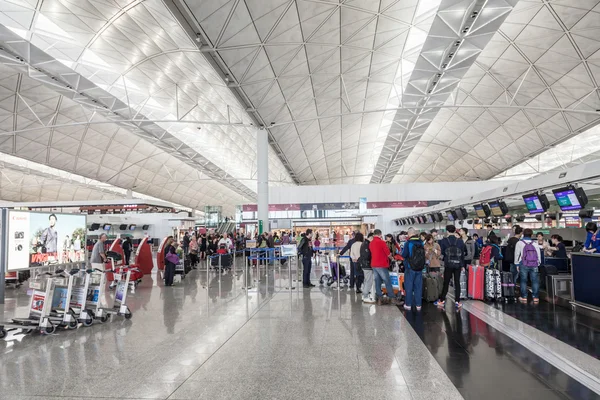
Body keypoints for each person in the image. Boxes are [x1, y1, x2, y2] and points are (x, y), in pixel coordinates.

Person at [434, 225, 465, 309]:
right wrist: (462, 265)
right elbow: (462, 253)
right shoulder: (460, 241)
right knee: (457, 282)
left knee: (446, 282)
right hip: (458, 264)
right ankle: (457, 301)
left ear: (447, 231)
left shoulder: (443, 241)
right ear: (455, 231)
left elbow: (442, 253)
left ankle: (442, 300)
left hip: (448, 264)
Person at [369, 229, 402, 306]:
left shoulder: (371, 243)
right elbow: (388, 253)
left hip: (374, 265)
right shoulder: (382, 242)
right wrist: (392, 259)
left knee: (377, 281)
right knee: (387, 281)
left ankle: (379, 299)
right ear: (380, 235)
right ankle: (392, 298)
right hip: (382, 264)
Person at [515, 228, 541, 303]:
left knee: (523, 280)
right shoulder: (535, 243)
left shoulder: (520, 243)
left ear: (523, 234)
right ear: (531, 235)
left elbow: (517, 254)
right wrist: (538, 263)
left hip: (523, 264)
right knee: (535, 280)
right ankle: (535, 297)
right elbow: (538, 254)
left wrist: (516, 264)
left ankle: (524, 297)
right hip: (534, 264)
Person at [402, 228, 424, 311]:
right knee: (418, 286)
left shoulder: (408, 243)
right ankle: (418, 305)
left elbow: (404, 254)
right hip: (420, 268)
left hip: (410, 267)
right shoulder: (421, 242)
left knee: (409, 286)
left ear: (409, 234)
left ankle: (408, 304)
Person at [358, 233, 375, 303]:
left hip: (365, 265)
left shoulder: (364, 243)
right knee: (369, 281)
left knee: (366, 280)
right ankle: (365, 296)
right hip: (367, 265)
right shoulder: (366, 244)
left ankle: (364, 295)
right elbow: (367, 255)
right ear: (371, 237)